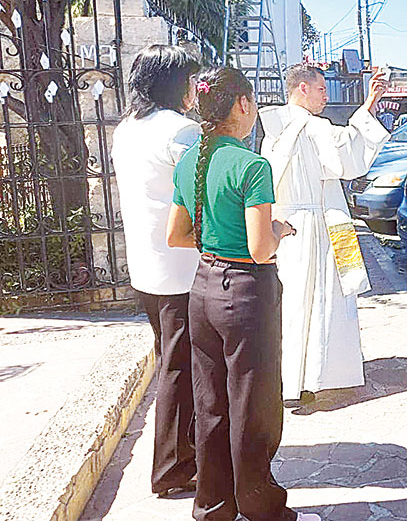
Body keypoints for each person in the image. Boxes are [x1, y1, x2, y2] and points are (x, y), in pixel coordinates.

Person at [166, 66, 317, 521]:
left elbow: (176, 234)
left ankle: (212, 506)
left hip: (203, 289)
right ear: (241, 105)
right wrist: (278, 229)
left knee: (210, 403)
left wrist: (217, 238)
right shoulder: (252, 165)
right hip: (245, 293)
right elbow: (259, 249)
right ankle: (261, 505)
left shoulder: (191, 161)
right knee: (254, 404)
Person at [259, 64, 389, 405]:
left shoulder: (272, 128)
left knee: (294, 303)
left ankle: (291, 378)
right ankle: (316, 376)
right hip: (320, 224)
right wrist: (370, 104)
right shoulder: (313, 127)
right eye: (320, 90)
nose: (325, 96)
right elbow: (348, 156)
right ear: (302, 89)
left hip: (285, 223)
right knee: (324, 302)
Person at [112, 45, 201, 498]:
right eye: (190, 80)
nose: (194, 90)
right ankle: (171, 468)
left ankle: (185, 453)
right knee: (179, 367)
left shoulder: (126, 128)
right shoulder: (180, 129)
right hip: (182, 268)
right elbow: (202, 194)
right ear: (174, 83)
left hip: (147, 266)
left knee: (172, 360)